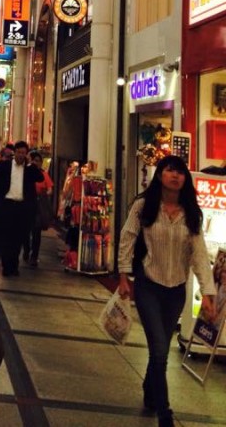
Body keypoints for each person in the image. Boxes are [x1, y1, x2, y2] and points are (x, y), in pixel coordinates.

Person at [118, 155, 216, 427]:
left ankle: (151, 391)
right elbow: (128, 238)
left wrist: (208, 293)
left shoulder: (191, 213)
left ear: (185, 179)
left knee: (158, 349)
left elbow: (198, 254)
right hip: (149, 285)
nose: (175, 175)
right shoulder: (144, 206)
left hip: (176, 292)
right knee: (160, 349)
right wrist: (123, 276)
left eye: (180, 172)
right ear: (160, 175)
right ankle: (165, 413)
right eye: (169, 170)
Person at [0, 140, 44, 276]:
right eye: (19, 152)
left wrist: (31, 164)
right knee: (6, 237)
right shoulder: (5, 166)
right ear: (14, 152)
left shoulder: (29, 169)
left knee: (19, 238)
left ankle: (14, 266)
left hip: (22, 208)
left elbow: (40, 178)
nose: (21, 155)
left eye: (24, 153)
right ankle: (6, 265)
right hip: (7, 205)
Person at [22, 151, 53, 267]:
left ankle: (34, 255)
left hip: (38, 206)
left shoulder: (43, 174)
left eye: (38, 161)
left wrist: (44, 194)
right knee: (26, 230)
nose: (36, 163)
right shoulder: (26, 171)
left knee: (36, 231)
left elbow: (50, 188)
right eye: (34, 160)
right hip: (26, 204)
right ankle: (26, 249)